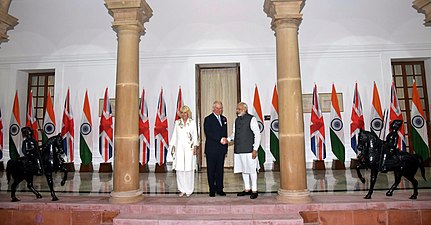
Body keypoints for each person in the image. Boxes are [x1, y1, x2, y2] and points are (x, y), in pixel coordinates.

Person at [223, 102, 261, 199]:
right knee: (244, 170)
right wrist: (228, 139)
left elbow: (257, 134)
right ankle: (247, 189)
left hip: (249, 150)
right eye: (237, 109)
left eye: (239, 109)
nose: (237, 111)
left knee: (252, 170)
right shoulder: (237, 120)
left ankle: (254, 190)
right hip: (239, 150)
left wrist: (255, 149)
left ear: (245, 109)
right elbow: (234, 134)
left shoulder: (252, 119)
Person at [169, 105, 199, 197]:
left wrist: (195, 147)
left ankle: (189, 190)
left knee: (189, 169)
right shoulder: (177, 123)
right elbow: (174, 135)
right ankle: (182, 189)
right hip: (179, 150)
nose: (184, 114)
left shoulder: (192, 122)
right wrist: (172, 147)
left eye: (185, 112)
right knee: (180, 170)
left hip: (189, 149)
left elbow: (195, 136)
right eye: (182, 113)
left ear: (188, 113)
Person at [204, 100, 228, 197]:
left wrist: (225, 145)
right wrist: (220, 139)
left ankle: (219, 189)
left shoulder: (224, 119)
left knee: (220, 170)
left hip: (221, 149)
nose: (219, 110)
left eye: (221, 108)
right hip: (211, 149)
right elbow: (208, 133)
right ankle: (212, 189)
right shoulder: (208, 119)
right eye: (217, 108)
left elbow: (225, 133)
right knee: (211, 170)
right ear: (213, 108)